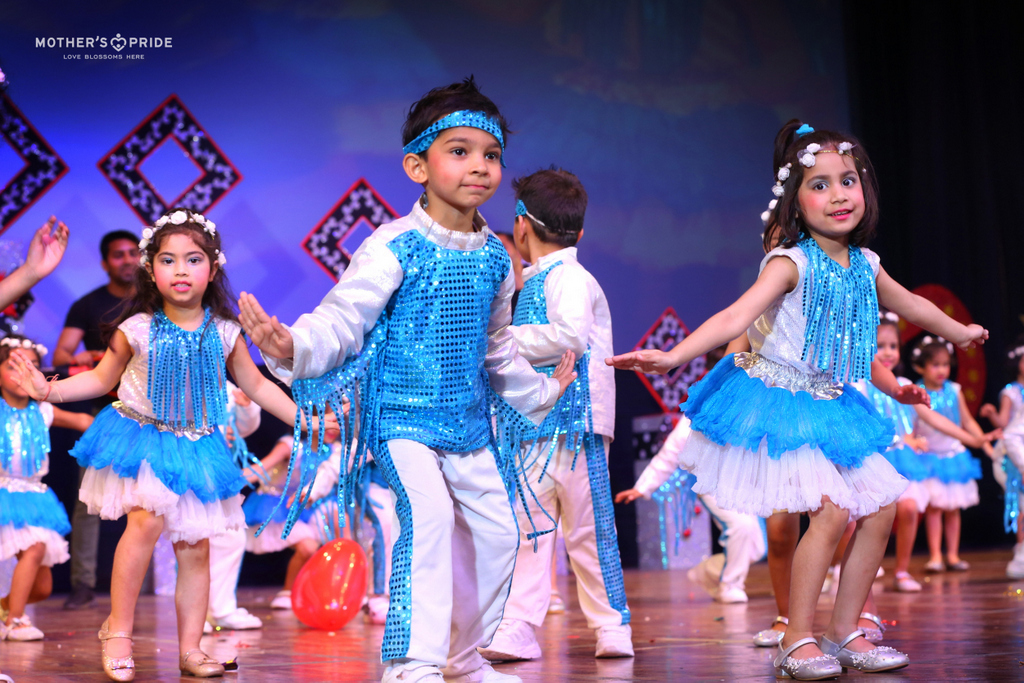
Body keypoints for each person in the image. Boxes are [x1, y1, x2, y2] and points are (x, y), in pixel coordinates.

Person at [608, 120, 988, 679]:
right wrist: (672, 356)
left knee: (880, 507)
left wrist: (958, 332)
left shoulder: (867, 264)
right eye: (820, 184)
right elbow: (735, 317)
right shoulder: (792, 262)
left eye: (848, 180)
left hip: (831, 402)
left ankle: (844, 631)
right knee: (832, 511)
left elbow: (912, 306)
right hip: (779, 397)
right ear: (794, 200)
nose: (838, 195)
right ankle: (797, 637)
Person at [238, 77, 575, 683]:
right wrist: (292, 344)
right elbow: (344, 319)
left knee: (502, 533)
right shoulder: (393, 244)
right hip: (402, 421)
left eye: (491, 155)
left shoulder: (499, 258)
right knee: (429, 518)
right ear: (417, 165)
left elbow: (495, 351)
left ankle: (464, 662)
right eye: (460, 150)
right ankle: (410, 664)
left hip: (469, 427)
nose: (479, 166)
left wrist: (544, 391)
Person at [11, 208, 333, 681]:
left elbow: (261, 388)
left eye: (193, 259)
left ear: (213, 268)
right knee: (144, 524)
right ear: (150, 269)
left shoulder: (226, 332)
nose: (181, 270)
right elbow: (101, 379)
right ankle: (118, 631)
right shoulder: (136, 327)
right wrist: (49, 390)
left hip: (198, 445)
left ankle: (191, 648)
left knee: (196, 547)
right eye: (168, 260)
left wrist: (307, 420)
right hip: (143, 436)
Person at [480, 168, 632, 663]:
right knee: (530, 527)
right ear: (579, 230)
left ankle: (612, 626)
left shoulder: (568, 276)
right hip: (533, 424)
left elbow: (569, 335)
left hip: (578, 421)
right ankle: (519, 626)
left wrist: (501, 341)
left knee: (588, 529)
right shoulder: (545, 277)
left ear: (521, 224)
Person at [858, 313, 995, 592]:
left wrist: (972, 439)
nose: (887, 353)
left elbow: (934, 418)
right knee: (859, 518)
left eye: (893, 346)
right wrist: (901, 436)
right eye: (880, 345)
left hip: (903, 460)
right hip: (871, 458)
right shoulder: (860, 384)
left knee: (909, 508)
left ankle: (902, 571)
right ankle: (848, 569)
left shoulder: (907, 384)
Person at [53, 229, 140, 610]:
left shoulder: (154, 303)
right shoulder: (87, 304)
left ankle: (142, 588)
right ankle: (83, 584)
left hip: (149, 412)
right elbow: (60, 354)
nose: (126, 260)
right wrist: (88, 359)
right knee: (89, 498)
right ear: (106, 263)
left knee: (149, 501)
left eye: (132, 252)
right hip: (101, 410)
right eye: (118, 255)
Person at [615, 415, 767, 604]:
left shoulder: (751, 403)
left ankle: (707, 572)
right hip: (712, 483)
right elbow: (670, 451)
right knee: (740, 526)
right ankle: (730, 586)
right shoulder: (701, 407)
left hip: (744, 484)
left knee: (756, 549)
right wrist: (643, 487)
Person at [0, 336, 92, 641]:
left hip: (34, 495)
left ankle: (6, 610)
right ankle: (16, 620)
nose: (23, 374)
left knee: (42, 588)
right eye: (14, 366)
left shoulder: (42, 411)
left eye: (33, 367)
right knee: (36, 546)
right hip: (2, 495)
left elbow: (81, 420)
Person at [912, 336, 988, 573]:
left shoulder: (955, 390)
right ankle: (935, 555)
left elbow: (966, 421)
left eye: (945, 364)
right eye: (935, 365)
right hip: (931, 456)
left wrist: (983, 442)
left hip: (955, 456)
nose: (942, 370)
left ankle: (953, 555)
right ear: (920, 367)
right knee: (934, 508)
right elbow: (911, 424)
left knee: (953, 508)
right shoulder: (915, 392)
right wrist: (913, 442)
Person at [204, 383, 263, 632]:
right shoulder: (179, 375)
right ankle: (193, 614)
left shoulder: (224, 386)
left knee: (231, 536)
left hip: (218, 469)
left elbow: (243, 428)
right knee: (189, 537)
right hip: (187, 463)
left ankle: (221, 609)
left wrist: (247, 407)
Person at [980, 337, 1024, 578]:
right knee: (1020, 503)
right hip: (1015, 451)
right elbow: (1006, 426)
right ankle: (1020, 551)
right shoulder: (1011, 392)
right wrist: (993, 414)